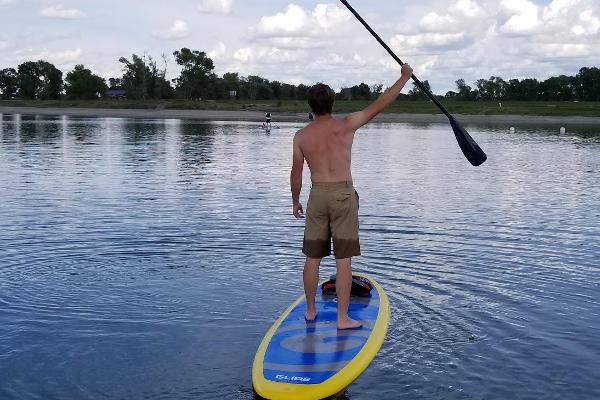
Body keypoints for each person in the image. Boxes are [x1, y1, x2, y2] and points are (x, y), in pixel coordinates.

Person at [290, 64, 413, 330]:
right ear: (332, 103)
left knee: (312, 258)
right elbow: (380, 104)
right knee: (343, 259)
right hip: (342, 195)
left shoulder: (300, 136)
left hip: (317, 195)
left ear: (311, 106)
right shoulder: (346, 125)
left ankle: (311, 311)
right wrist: (404, 78)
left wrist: (295, 201)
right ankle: (342, 319)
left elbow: (296, 174)